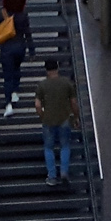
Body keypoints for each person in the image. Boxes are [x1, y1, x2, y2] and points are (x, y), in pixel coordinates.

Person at [36, 58, 78, 187]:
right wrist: (76, 117)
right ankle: (64, 172)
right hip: (64, 119)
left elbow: (37, 105)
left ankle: (52, 176)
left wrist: (42, 116)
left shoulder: (42, 85)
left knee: (49, 148)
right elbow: (74, 103)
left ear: (46, 70)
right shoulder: (66, 83)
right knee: (65, 146)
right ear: (57, 68)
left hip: (48, 120)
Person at [0, 0, 33, 117]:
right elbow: (28, 34)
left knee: (7, 77)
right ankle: (15, 91)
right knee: (17, 69)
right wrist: (32, 50)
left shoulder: (1, 14)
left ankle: (8, 105)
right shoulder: (23, 15)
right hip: (20, 47)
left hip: (6, 49)